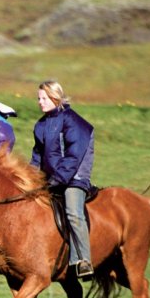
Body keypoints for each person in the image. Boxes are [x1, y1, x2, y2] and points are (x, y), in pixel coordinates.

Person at [30, 80, 95, 278]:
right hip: (54, 178)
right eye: (39, 98)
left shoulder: (72, 120)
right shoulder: (41, 125)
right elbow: (37, 157)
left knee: (73, 212)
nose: (40, 102)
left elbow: (74, 155)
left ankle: (83, 260)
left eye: (44, 98)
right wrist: (31, 179)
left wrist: (58, 179)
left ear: (55, 97)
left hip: (74, 176)